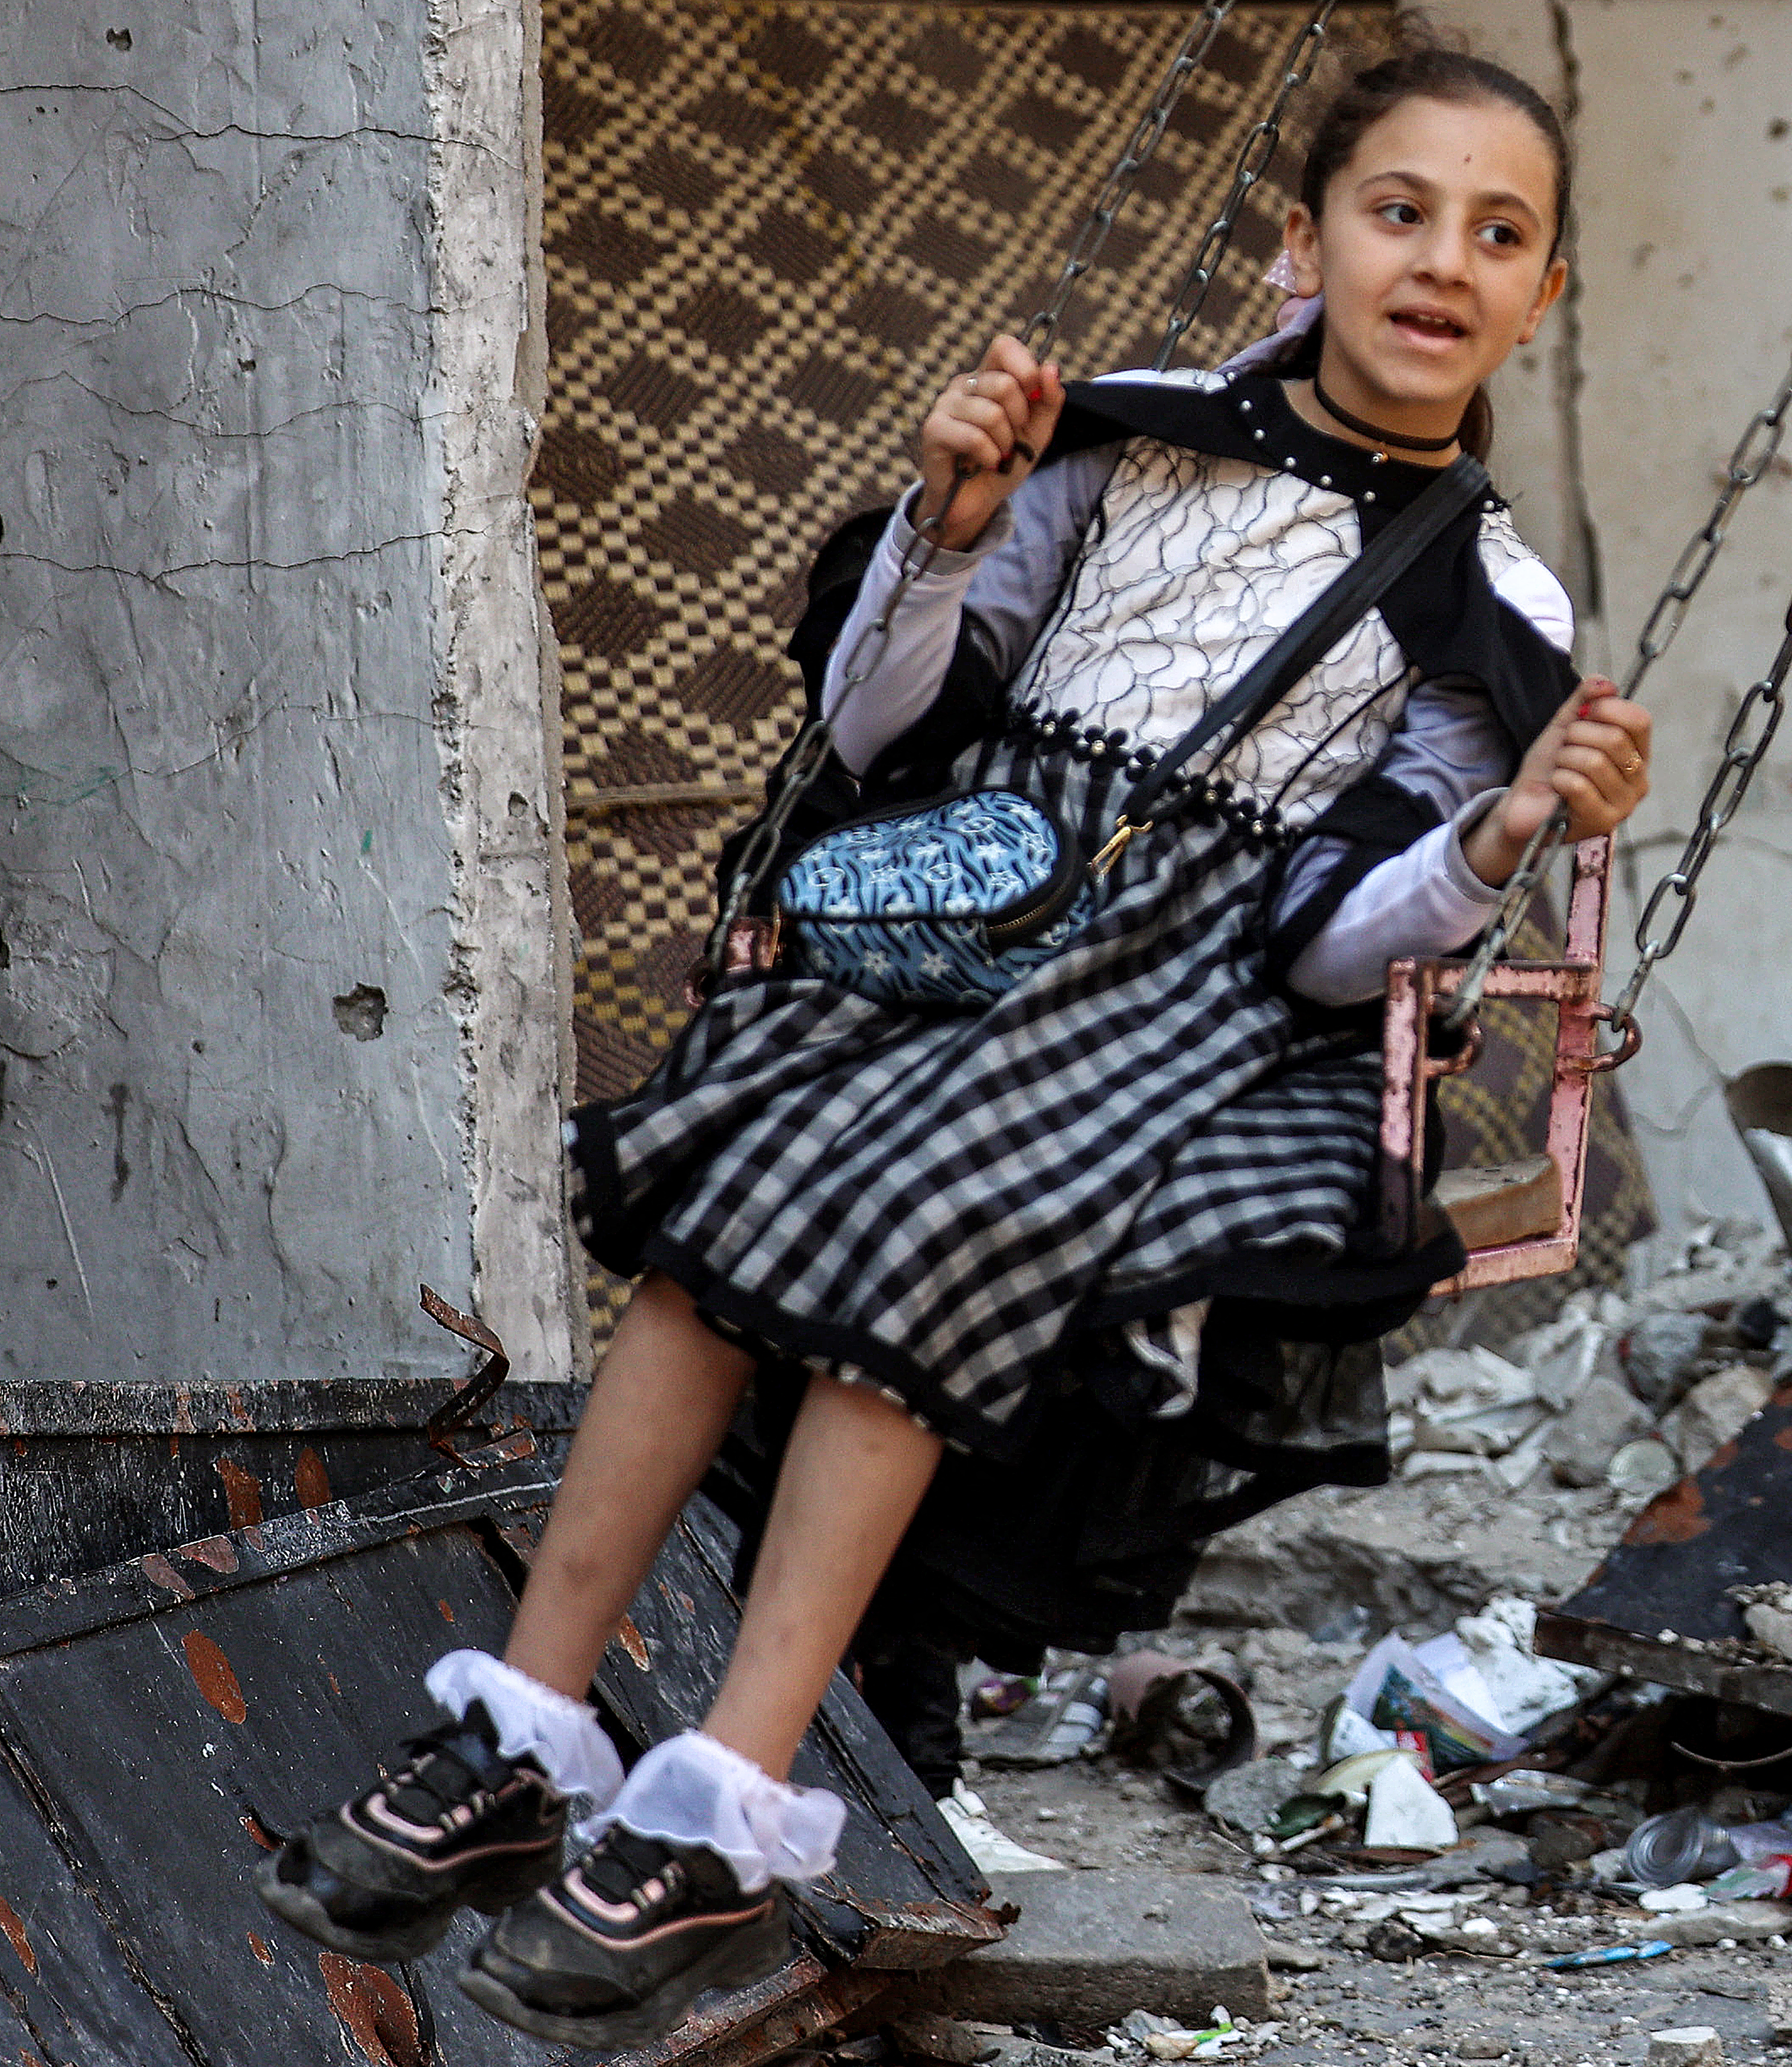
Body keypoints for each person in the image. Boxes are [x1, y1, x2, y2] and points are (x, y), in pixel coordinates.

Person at [256, 39, 1647, 2047]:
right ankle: (530, 1729)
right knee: (731, 1159)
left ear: (1544, 293)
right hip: (964, 886)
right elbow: (888, 729)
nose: (1442, 259)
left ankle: (727, 1804)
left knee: (929, 1201)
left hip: (1187, 976)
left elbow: (1343, 949)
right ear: (1303, 242)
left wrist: (1499, 835)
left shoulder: (1495, 605)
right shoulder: (1129, 436)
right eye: (1398, 210)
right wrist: (946, 521)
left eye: (1497, 233)